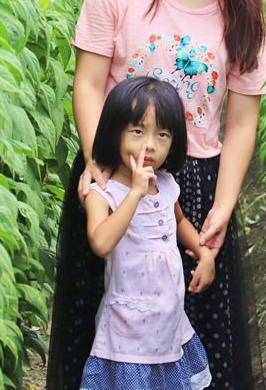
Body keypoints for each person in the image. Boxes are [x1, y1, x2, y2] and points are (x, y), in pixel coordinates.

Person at [47, 0, 266, 390]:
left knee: (194, 334)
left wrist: (224, 204)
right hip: (116, 180)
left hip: (195, 185)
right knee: (102, 327)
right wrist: (100, 165)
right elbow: (89, 83)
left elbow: (241, 121)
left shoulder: (239, 15)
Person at [80, 76, 215, 389]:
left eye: (163, 134)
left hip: (168, 325)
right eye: (138, 131)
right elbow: (100, 242)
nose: (150, 144)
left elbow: (179, 222)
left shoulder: (166, 184)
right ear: (114, 131)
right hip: (127, 334)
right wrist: (135, 193)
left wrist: (204, 252)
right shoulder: (103, 193)